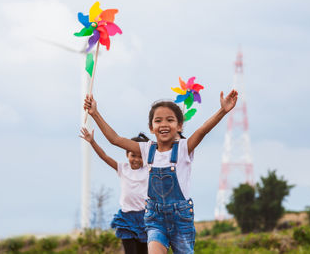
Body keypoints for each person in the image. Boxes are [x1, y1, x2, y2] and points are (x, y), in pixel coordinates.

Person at [83, 89, 238, 254]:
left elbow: (202, 130)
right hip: (155, 218)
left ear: (179, 126)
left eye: (170, 120)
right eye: (158, 121)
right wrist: (95, 113)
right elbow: (115, 139)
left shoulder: (184, 148)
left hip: (181, 219)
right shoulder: (146, 149)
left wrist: (222, 110)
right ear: (151, 127)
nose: (164, 124)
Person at [79, 127, 149, 254]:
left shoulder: (148, 169)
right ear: (127, 154)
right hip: (126, 218)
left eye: (140, 157)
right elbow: (104, 156)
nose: (136, 160)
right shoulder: (123, 168)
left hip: (144, 218)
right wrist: (92, 142)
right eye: (133, 155)